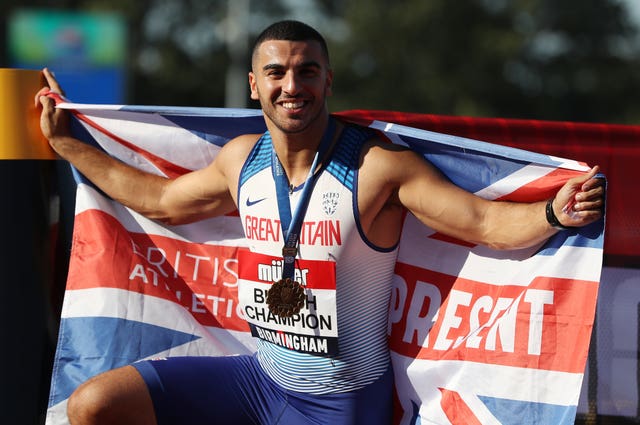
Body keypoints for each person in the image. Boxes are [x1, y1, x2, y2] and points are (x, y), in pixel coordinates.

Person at [36, 20, 604, 425]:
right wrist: (67, 144)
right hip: (260, 380)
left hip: (341, 404)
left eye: (307, 71)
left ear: (327, 82)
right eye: (276, 73)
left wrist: (554, 212)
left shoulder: (376, 168)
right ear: (255, 85)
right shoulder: (241, 160)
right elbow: (160, 201)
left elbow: (483, 221)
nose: (292, 86)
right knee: (93, 407)